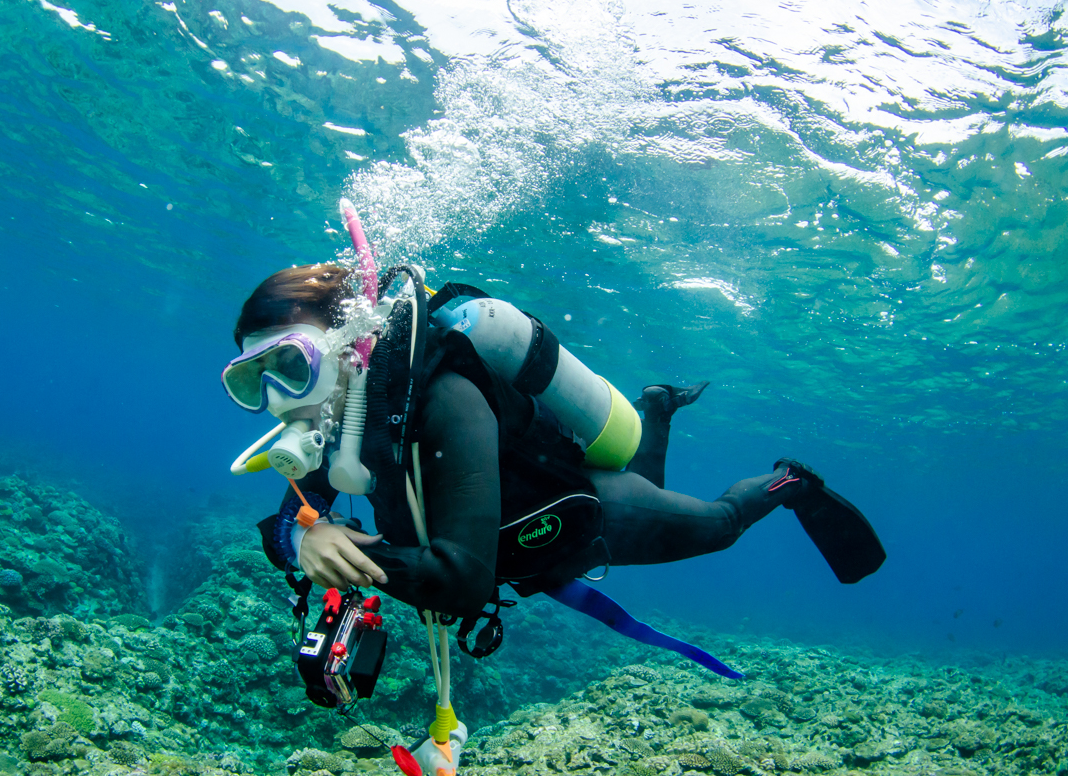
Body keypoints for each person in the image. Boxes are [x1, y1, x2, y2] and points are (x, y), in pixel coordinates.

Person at [223, 264, 885, 627]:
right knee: (648, 473)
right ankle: (656, 408)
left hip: (587, 514)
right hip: (530, 543)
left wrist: (353, 556)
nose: (278, 399)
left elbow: (460, 580)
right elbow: (290, 519)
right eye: (254, 379)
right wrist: (304, 539)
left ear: (346, 342)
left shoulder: (443, 395)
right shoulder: (339, 416)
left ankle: (790, 482)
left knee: (719, 524)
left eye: (291, 364)